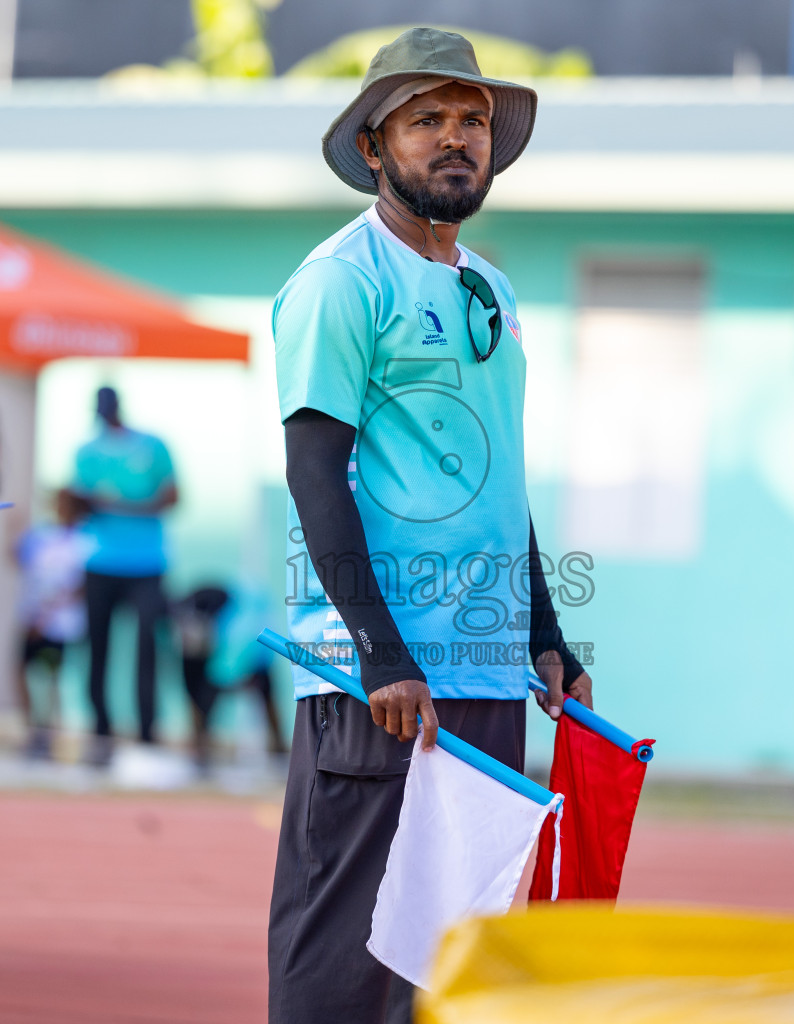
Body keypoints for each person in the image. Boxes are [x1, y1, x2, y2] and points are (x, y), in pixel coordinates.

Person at [267, 28, 593, 1024]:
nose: (457, 139)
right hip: (382, 680)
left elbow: (497, 481)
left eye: (473, 120)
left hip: (488, 669)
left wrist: (544, 632)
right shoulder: (340, 282)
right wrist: (380, 654)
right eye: (429, 120)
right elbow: (315, 473)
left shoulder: (490, 288)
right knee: (346, 952)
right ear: (374, 146)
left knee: (450, 960)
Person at [71, 386, 178, 761]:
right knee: (97, 648)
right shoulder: (86, 451)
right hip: (100, 561)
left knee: (148, 649)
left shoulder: (152, 446)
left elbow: (173, 496)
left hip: (147, 563)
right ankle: (101, 729)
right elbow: (76, 506)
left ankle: (147, 731)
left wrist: (114, 504)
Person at [15, 489, 94, 757]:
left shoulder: (85, 541)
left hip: (59, 625)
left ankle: (49, 734)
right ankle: (34, 729)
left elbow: (81, 586)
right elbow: (20, 559)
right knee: (23, 672)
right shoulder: (43, 535)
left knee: (51, 677)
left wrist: (47, 614)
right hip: (32, 616)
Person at [177, 582, 288, 771]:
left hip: (239, 661)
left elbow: (228, 669)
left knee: (206, 695)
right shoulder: (213, 626)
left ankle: (278, 749)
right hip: (227, 659)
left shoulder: (240, 629)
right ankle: (200, 749)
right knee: (201, 694)